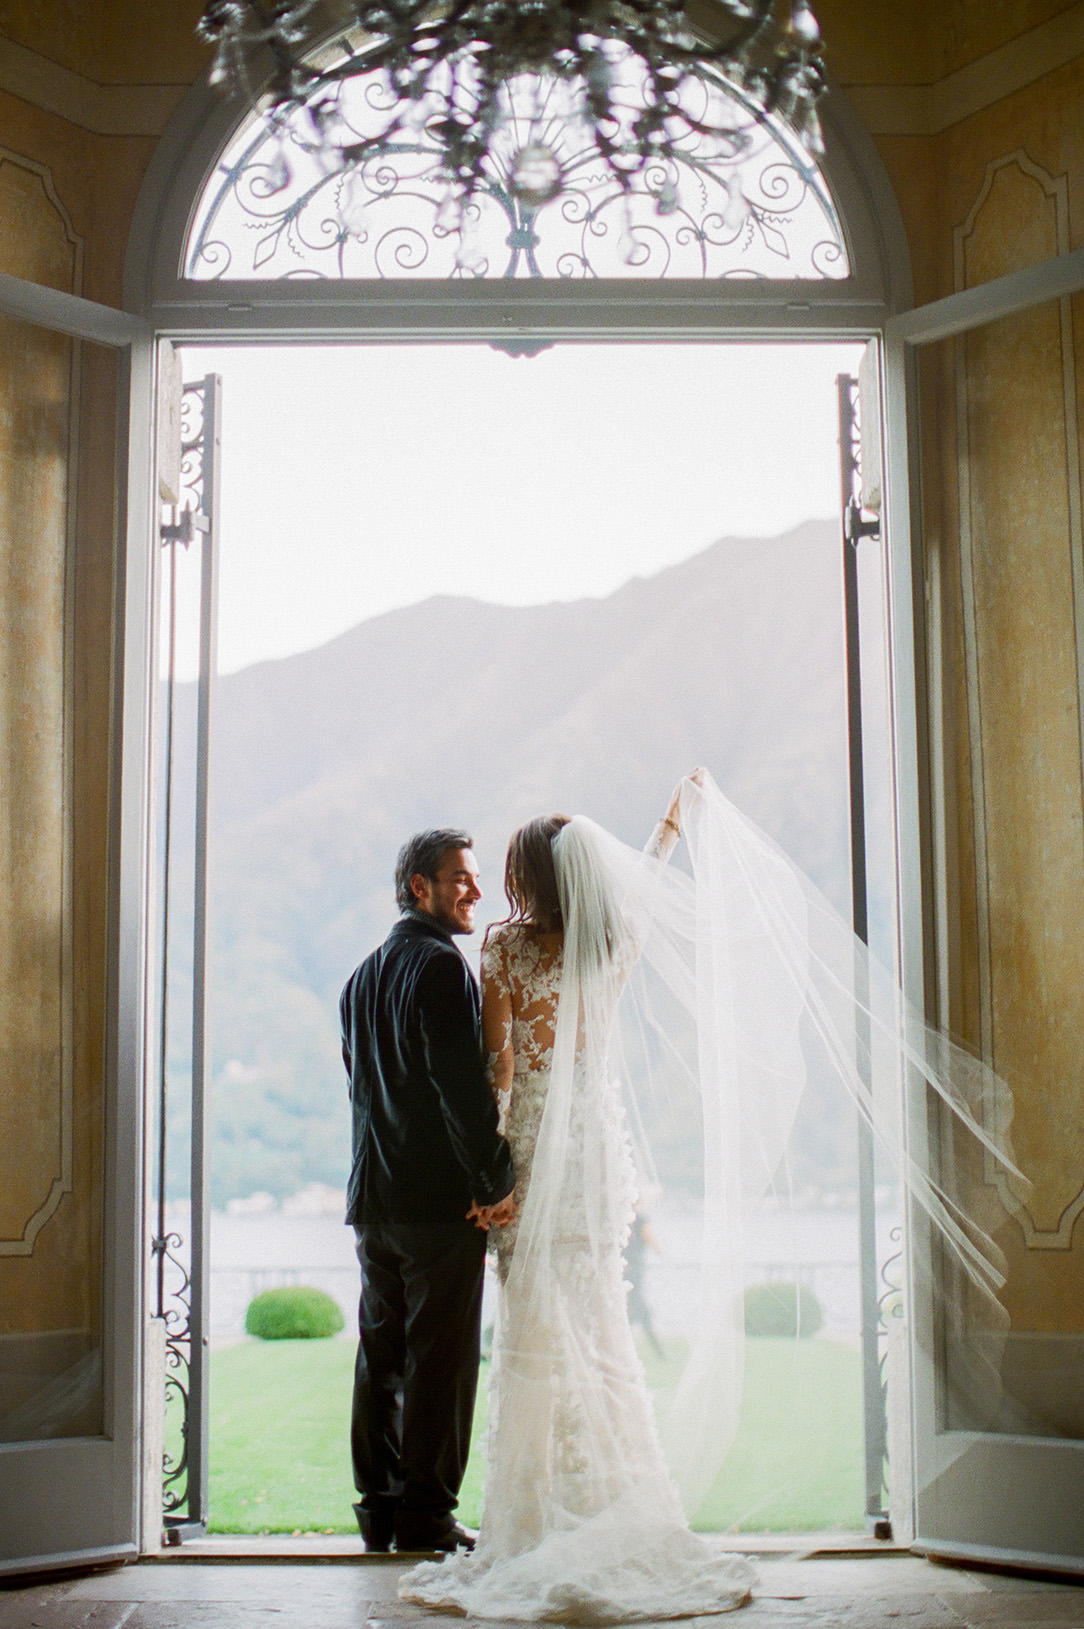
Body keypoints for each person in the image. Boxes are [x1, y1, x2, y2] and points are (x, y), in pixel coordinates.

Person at [398, 772, 1016, 1621]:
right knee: (602, 1325)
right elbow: (643, 881)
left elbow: (497, 1069)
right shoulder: (612, 943)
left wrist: (489, 1178)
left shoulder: (502, 951)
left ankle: (531, 1520)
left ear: (526, 879)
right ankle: (623, 1511)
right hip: (597, 1159)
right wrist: (667, 826)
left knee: (537, 1325)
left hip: (539, 1154)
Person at [341, 827, 516, 1555]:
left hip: (374, 1200)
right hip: (437, 1203)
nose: (476, 889)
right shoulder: (442, 968)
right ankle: (428, 1517)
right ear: (420, 886)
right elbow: (461, 1091)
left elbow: (364, 1089)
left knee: (381, 1356)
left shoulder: (361, 974)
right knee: (441, 1361)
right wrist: (495, 1181)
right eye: (460, 878)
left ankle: (378, 1511)